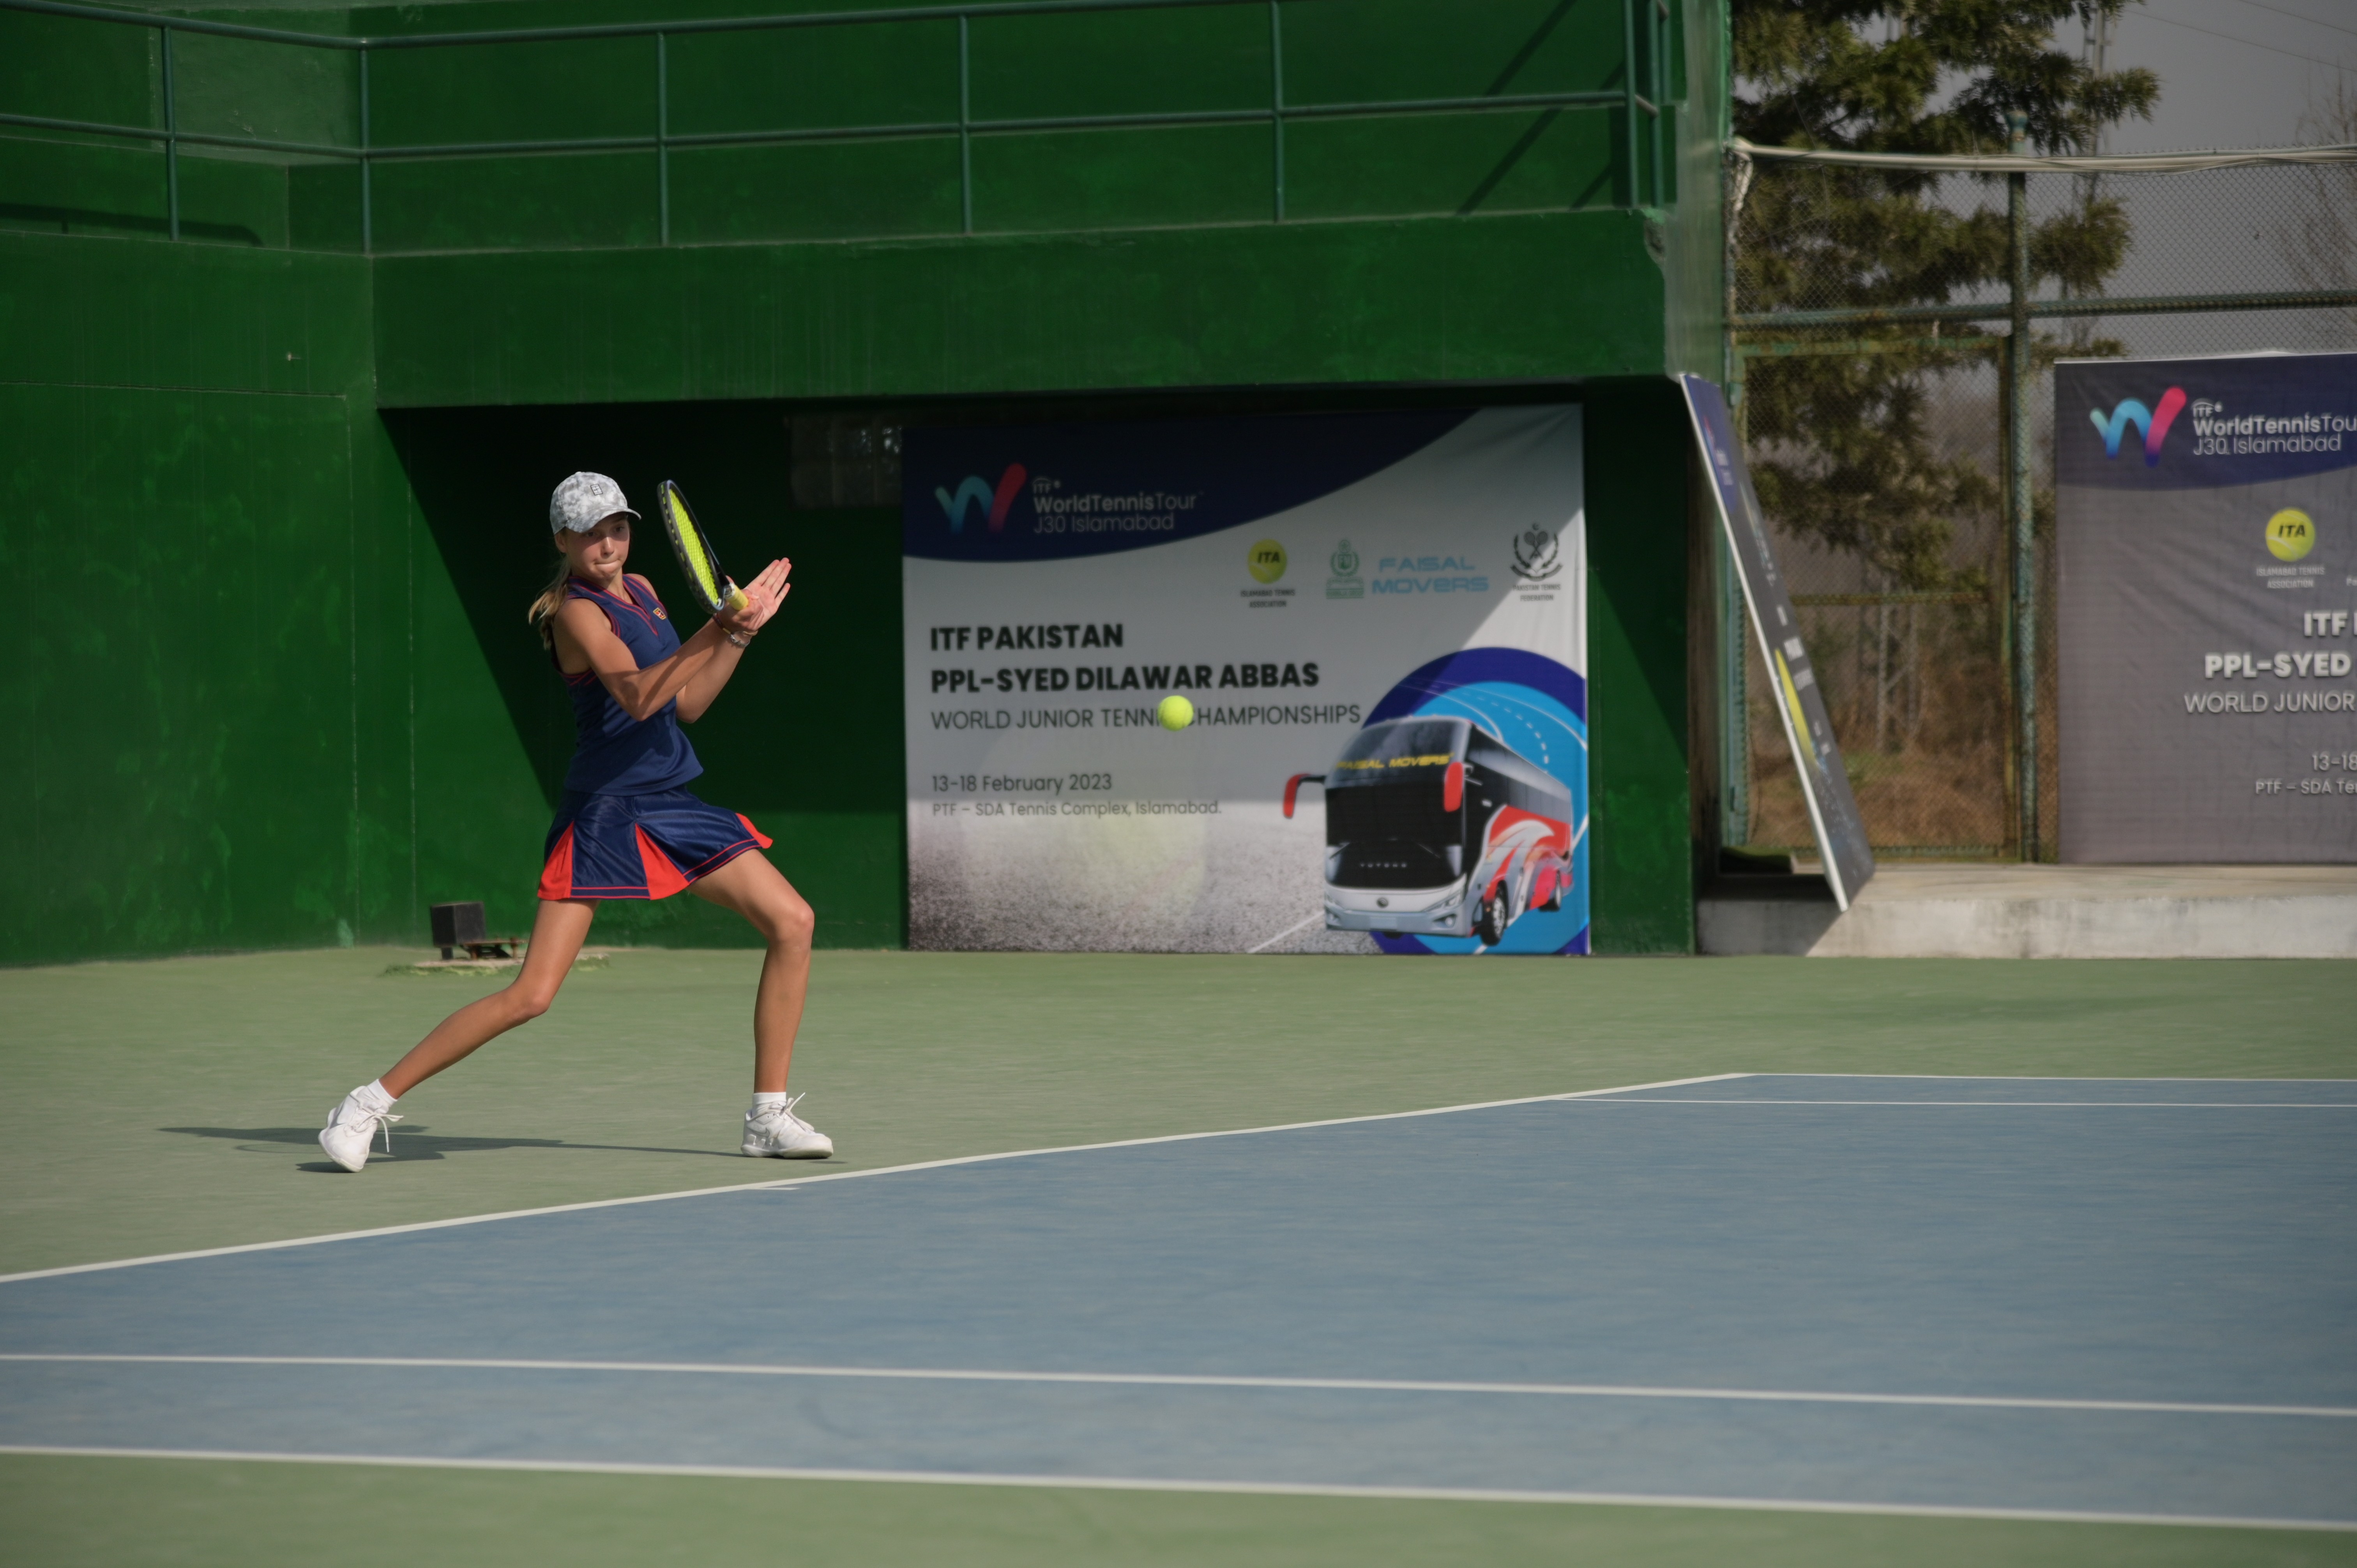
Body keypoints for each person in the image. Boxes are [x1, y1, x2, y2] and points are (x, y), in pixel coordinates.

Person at [318, 472, 831, 1172]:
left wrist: (737, 641)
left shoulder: (646, 592)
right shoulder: (572, 611)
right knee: (532, 995)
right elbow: (640, 696)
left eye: (617, 528)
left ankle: (767, 1117)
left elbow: (688, 706)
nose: (608, 543)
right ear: (563, 540)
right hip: (605, 814)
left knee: (793, 921)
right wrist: (716, 624)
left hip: (672, 800)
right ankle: (365, 1103)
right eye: (591, 532)